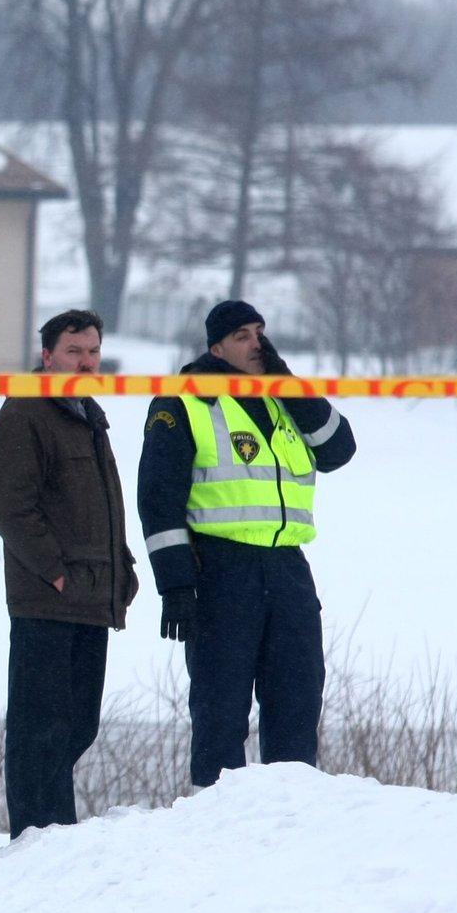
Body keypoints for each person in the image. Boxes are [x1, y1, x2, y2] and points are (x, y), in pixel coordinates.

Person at [137, 299, 356, 789]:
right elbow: (158, 498)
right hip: (220, 570)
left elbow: (339, 450)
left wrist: (292, 386)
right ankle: (214, 823)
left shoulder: (283, 398)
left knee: (298, 700)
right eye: (242, 336)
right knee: (220, 708)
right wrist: (175, 585)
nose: (256, 342)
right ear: (216, 348)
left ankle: (293, 813)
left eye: (260, 332)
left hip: (287, 570)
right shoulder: (186, 401)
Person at [0, 309, 138, 838]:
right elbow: (9, 505)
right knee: (39, 731)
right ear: (48, 355)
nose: (86, 361)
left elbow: (100, 508)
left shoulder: (88, 416)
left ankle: (56, 836)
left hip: (92, 598)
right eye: (75, 352)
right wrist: (53, 572)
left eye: (93, 351)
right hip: (47, 599)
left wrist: (124, 571)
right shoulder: (26, 412)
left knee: (77, 726)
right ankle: (36, 838)